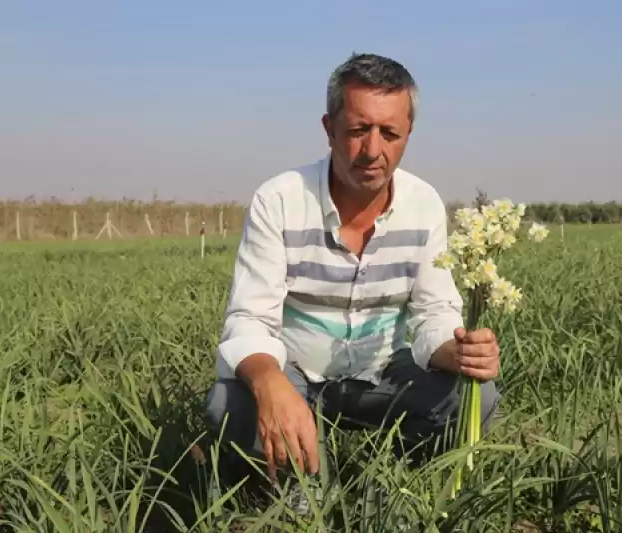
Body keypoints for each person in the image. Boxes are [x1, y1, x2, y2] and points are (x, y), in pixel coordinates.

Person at [205, 52, 501, 485]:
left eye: (390, 133)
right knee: (228, 402)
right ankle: (302, 487)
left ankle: (396, 477)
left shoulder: (424, 205)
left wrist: (457, 350)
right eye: (358, 130)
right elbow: (250, 318)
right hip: (298, 375)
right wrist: (270, 381)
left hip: (384, 373)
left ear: (408, 134)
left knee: (479, 395)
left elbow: (434, 314)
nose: (373, 151)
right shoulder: (281, 200)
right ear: (329, 129)